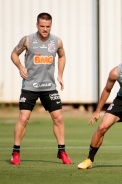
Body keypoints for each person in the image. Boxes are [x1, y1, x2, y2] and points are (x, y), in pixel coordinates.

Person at [10, 12, 72, 165]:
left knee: (58, 118)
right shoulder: (28, 40)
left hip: (48, 86)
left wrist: (60, 75)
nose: (45, 29)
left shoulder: (56, 41)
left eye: (48, 26)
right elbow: (14, 54)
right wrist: (20, 66)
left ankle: (62, 151)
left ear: (51, 25)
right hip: (30, 86)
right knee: (23, 118)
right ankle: (16, 152)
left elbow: (62, 56)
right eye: (42, 26)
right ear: (37, 25)